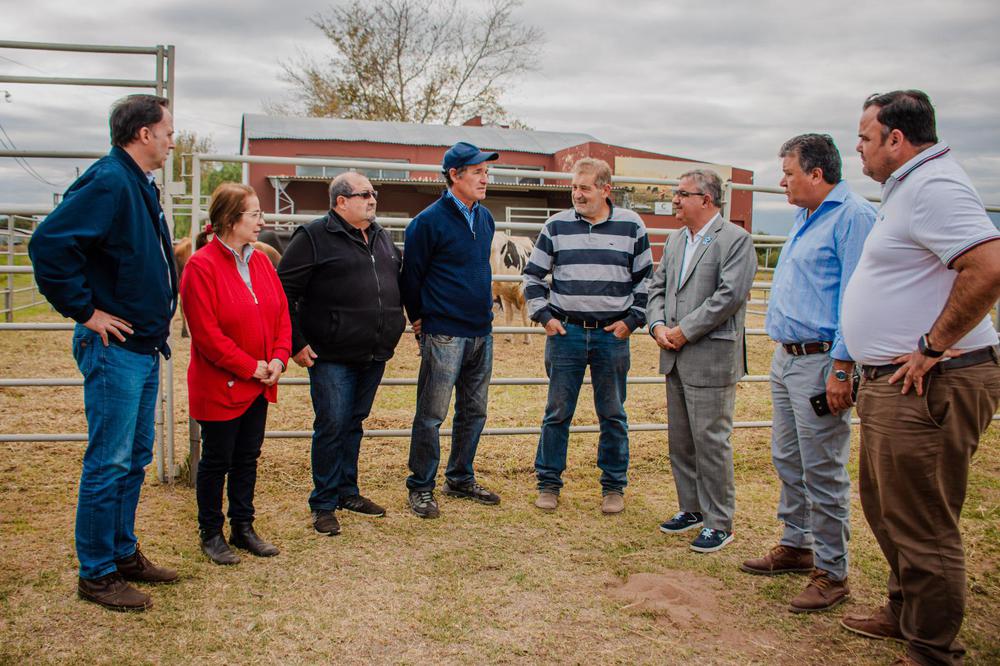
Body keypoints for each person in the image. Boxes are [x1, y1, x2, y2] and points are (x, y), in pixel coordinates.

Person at [840, 90, 1000, 665]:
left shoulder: (933, 186)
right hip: (894, 382)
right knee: (890, 507)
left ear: (895, 140)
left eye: (863, 137)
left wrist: (934, 344)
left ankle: (932, 649)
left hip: (927, 384)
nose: (856, 147)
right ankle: (905, 609)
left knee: (924, 519)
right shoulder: (908, 188)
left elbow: (989, 265)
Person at [28, 94, 178, 611]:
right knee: (110, 459)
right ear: (143, 134)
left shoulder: (136, 183)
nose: (171, 140)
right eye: (167, 131)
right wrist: (86, 312)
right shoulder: (111, 180)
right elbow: (49, 244)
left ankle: (120, 552)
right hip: (114, 346)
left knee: (134, 456)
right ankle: (95, 572)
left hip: (140, 345)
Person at [740, 134, 876, 612]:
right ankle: (797, 543)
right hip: (788, 357)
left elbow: (858, 298)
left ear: (817, 174)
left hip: (822, 359)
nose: (782, 181)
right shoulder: (807, 215)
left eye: (789, 172)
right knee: (788, 456)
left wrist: (843, 365)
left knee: (822, 465)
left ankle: (833, 571)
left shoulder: (854, 217)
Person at [278, 172, 405, 535]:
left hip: (374, 351)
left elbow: (395, 281)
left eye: (374, 193)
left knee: (353, 423)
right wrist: (295, 342)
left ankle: (348, 491)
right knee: (331, 425)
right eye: (364, 194)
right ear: (340, 202)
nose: (373, 199)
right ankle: (323, 502)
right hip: (330, 354)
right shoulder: (314, 237)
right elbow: (282, 291)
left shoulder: (380, 236)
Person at [522, 157, 652, 514]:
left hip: (613, 335)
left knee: (612, 413)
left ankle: (613, 487)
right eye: (574, 187)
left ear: (606, 189)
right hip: (567, 332)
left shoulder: (632, 226)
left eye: (585, 188)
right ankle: (548, 483)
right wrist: (545, 317)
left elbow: (646, 280)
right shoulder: (556, 226)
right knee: (557, 411)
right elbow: (532, 277)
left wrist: (633, 320)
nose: (577, 195)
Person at [646, 169, 756, 553]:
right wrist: (658, 324)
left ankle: (720, 521)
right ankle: (691, 508)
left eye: (681, 193)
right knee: (682, 441)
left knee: (711, 441)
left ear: (706, 199)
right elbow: (657, 287)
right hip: (674, 355)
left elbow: (728, 296)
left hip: (709, 357)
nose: (674, 199)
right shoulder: (676, 240)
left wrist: (684, 330)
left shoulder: (735, 240)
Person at [180, 183, 291, 564]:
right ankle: (210, 532)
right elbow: (207, 335)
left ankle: (243, 526)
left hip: (260, 382)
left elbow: (280, 314)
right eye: (254, 214)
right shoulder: (201, 266)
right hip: (222, 384)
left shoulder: (261, 261)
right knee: (216, 460)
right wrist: (250, 366)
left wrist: (278, 358)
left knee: (247, 456)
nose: (262, 221)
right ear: (231, 219)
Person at [400, 142, 502, 518]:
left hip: (480, 331)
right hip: (443, 332)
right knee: (432, 413)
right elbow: (411, 276)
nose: (484, 179)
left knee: (474, 411)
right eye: (477, 172)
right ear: (454, 175)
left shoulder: (486, 218)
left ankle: (460, 476)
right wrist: (418, 319)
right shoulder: (427, 222)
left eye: (486, 172)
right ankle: (421, 486)